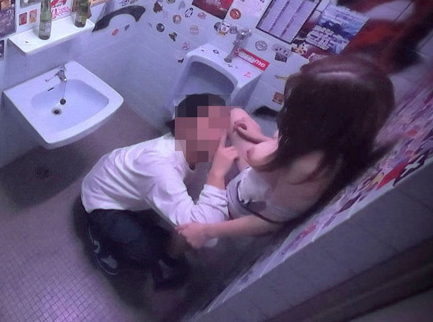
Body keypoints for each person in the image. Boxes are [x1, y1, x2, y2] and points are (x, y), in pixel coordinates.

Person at [176, 55, 395, 249]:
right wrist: (259, 138)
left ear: (322, 119)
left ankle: (174, 256)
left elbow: (268, 222)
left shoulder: (308, 169)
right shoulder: (331, 138)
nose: (287, 109)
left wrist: (206, 231)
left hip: (241, 204)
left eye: (298, 106)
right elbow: (286, 152)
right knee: (235, 115)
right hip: (255, 177)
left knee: (182, 229)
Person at [81, 94, 237, 283]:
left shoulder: (193, 148)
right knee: (147, 253)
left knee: (160, 230)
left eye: (222, 128)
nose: (222, 138)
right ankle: (98, 232)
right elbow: (202, 230)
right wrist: (217, 174)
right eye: (214, 129)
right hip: (100, 199)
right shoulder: (161, 167)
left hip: (116, 181)